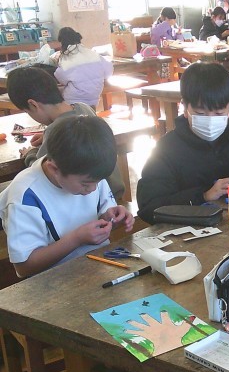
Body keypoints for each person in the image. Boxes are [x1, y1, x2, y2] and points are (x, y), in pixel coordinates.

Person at [0, 115, 134, 278]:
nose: (93, 189)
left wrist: (111, 218)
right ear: (54, 169)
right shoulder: (24, 196)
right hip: (53, 281)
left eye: (98, 182)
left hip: (98, 266)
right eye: (85, 184)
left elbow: (102, 213)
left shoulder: (89, 172)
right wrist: (77, 239)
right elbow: (24, 267)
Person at [136, 63, 229, 224]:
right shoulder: (166, 149)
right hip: (187, 231)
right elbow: (149, 207)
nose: (210, 121)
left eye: (218, 113)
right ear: (184, 107)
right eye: (200, 113)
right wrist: (204, 195)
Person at [6, 66, 126, 200]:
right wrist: (50, 137)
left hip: (94, 198)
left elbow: (42, 173)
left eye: (27, 112)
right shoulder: (83, 108)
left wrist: (30, 153)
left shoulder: (55, 129)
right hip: (113, 191)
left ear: (33, 105)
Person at [50, 27, 113, 109]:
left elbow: (61, 79)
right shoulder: (92, 53)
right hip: (94, 98)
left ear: (62, 42)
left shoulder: (66, 58)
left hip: (74, 100)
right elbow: (109, 72)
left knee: (54, 92)